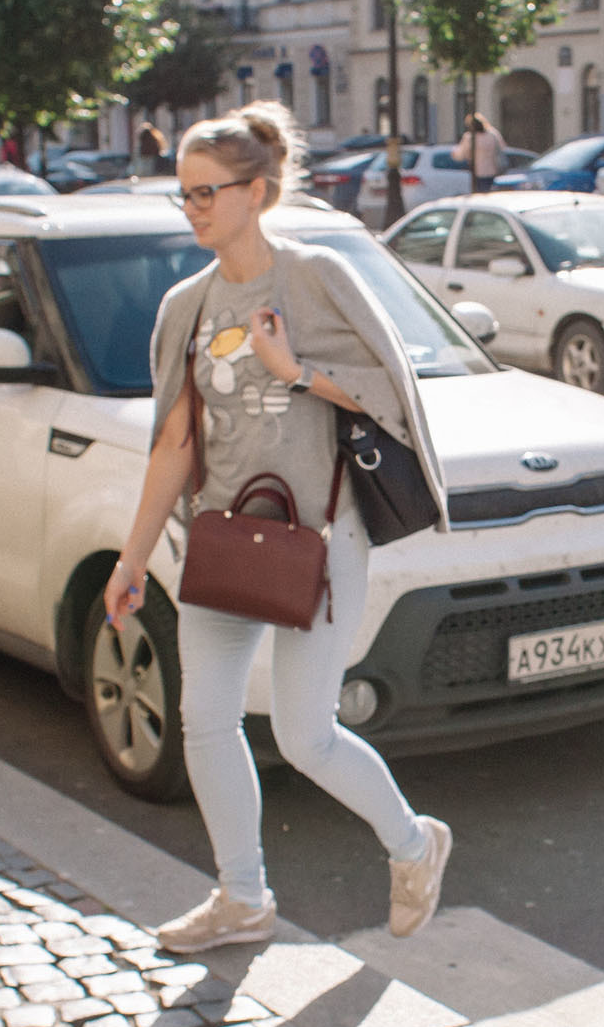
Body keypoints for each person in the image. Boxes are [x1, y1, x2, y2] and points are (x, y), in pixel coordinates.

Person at [105, 100, 454, 951]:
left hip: (321, 542)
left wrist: (294, 370)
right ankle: (243, 898)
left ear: (255, 192)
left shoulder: (315, 278)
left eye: (206, 193)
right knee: (205, 722)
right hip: (226, 543)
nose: (191, 209)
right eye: (182, 194)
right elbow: (173, 444)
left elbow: (390, 389)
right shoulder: (185, 307)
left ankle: (414, 845)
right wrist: (133, 557)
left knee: (306, 737)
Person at [457, 110, 505, 193]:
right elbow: (502, 147)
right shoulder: (493, 135)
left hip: (477, 172)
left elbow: (460, 155)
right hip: (493, 171)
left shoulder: (469, 138)